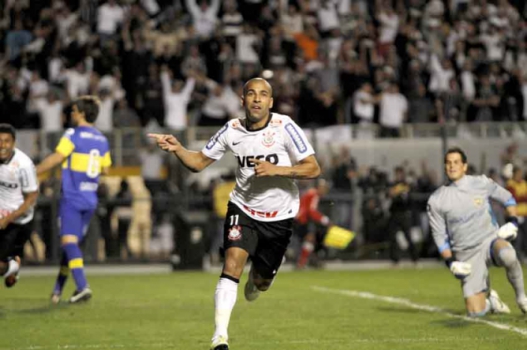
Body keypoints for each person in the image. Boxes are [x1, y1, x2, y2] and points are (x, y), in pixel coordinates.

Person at [149, 77, 321, 350]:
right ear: (242, 100)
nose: (256, 99)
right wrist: (178, 148)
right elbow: (198, 163)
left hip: (279, 216)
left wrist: (278, 170)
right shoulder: (231, 129)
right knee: (231, 264)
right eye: (251, 94)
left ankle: (258, 280)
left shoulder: (285, 126)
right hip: (243, 208)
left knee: (260, 283)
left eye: (263, 95)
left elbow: (313, 168)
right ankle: (219, 337)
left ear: (270, 102)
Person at [427, 147, 527, 317]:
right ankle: (491, 301)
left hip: (490, 240)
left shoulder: (481, 182)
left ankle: (522, 298)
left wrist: (513, 222)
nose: (452, 166)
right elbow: (439, 236)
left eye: (456, 162)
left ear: (464, 166)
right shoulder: (436, 200)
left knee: (508, 255)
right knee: (475, 312)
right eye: (448, 163)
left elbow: (508, 199)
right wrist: (450, 262)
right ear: (445, 167)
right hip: (466, 253)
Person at [36, 96, 112, 304]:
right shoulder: (102, 139)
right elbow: (105, 168)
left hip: (72, 197)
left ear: (81, 114)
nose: (71, 113)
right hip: (90, 199)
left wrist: (34, 172)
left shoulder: (72, 134)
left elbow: (57, 157)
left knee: (68, 242)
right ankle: (57, 290)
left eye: (74, 110)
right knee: (71, 245)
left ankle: (82, 286)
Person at [0, 124, 39, 288]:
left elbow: (31, 199)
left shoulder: (23, 165)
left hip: (18, 223)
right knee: (8, 278)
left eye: (6, 141)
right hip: (2, 218)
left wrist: (8, 219)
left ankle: (13, 265)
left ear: (13, 143)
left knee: (3, 270)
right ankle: (11, 265)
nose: (2, 145)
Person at [295, 179, 330, 269]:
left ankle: (309, 261)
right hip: (301, 219)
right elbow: (311, 210)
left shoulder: (310, 193)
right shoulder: (314, 194)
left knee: (310, 240)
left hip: (299, 218)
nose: (325, 191)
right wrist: (323, 219)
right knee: (310, 239)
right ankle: (302, 263)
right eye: (324, 188)